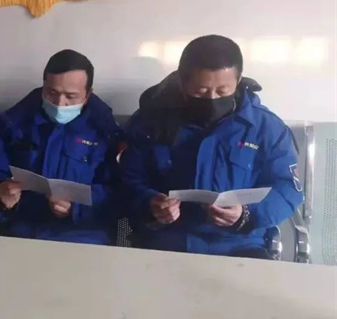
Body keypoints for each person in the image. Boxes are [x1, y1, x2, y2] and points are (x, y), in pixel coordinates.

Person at [119, 35, 303, 258]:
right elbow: (127, 180)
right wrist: (150, 204)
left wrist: (246, 214)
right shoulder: (151, 122)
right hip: (167, 241)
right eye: (201, 91)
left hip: (240, 244)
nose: (212, 98)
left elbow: (287, 189)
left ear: (238, 81)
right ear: (183, 82)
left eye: (223, 91)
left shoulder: (266, 128)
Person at [0, 50, 123, 245]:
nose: (59, 103)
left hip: (83, 236)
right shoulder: (14, 122)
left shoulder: (105, 132)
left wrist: (76, 209)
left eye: (71, 96)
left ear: (88, 94)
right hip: (20, 231)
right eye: (52, 93)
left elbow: (118, 191)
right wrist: (0, 193)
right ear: (43, 86)